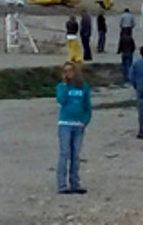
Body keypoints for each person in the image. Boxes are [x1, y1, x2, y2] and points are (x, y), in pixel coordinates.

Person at [55, 61, 92, 194]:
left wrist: (85, 121)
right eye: (65, 71)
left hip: (78, 124)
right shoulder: (61, 86)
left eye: (70, 70)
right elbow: (61, 100)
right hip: (65, 123)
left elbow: (87, 107)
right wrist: (65, 86)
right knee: (64, 153)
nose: (68, 73)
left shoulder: (83, 87)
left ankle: (75, 183)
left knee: (75, 155)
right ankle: (62, 185)